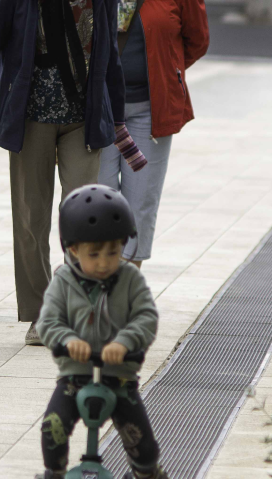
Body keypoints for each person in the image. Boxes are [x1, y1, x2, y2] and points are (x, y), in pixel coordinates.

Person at [0, 0, 130, 346]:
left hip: (81, 115)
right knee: (32, 219)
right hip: (30, 114)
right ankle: (40, 314)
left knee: (85, 217)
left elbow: (109, 58)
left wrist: (117, 119)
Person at [98, 0, 210, 267]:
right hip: (99, 112)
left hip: (150, 111)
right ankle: (96, 277)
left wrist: (166, 71)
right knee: (97, 198)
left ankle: (125, 281)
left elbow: (196, 40)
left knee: (140, 199)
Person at [35, 185, 165, 479]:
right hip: (74, 376)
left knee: (141, 442)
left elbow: (146, 316)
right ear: (73, 249)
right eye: (94, 254)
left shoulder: (130, 278)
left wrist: (125, 341)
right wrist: (67, 340)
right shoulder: (63, 281)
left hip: (119, 375)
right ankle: (54, 473)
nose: (105, 262)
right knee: (52, 428)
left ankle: (147, 473)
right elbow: (48, 321)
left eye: (114, 252)